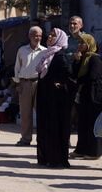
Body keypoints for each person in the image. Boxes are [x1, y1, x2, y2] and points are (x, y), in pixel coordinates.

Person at [36, 28, 74, 168]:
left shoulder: (60, 56)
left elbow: (69, 75)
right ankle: (45, 157)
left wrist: (61, 83)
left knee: (55, 127)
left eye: (53, 35)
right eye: (50, 34)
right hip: (45, 96)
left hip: (56, 99)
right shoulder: (47, 54)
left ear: (59, 39)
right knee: (45, 126)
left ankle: (57, 159)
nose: (50, 37)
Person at [70, 33, 102, 160]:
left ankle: (94, 152)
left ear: (89, 44)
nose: (79, 45)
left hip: (94, 97)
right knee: (82, 123)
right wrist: (76, 61)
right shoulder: (83, 58)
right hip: (84, 96)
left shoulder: (95, 59)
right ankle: (81, 149)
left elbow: (93, 77)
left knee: (92, 125)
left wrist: (79, 81)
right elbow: (74, 74)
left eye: (82, 43)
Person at [13, 26, 46, 146]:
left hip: (39, 83)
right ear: (29, 36)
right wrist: (17, 83)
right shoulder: (22, 50)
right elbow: (17, 67)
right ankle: (26, 138)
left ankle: (42, 139)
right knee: (25, 113)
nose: (37, 38)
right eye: (35, 35)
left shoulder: (45, 51)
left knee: (41, 113)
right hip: (25, 83)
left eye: (39, 36)